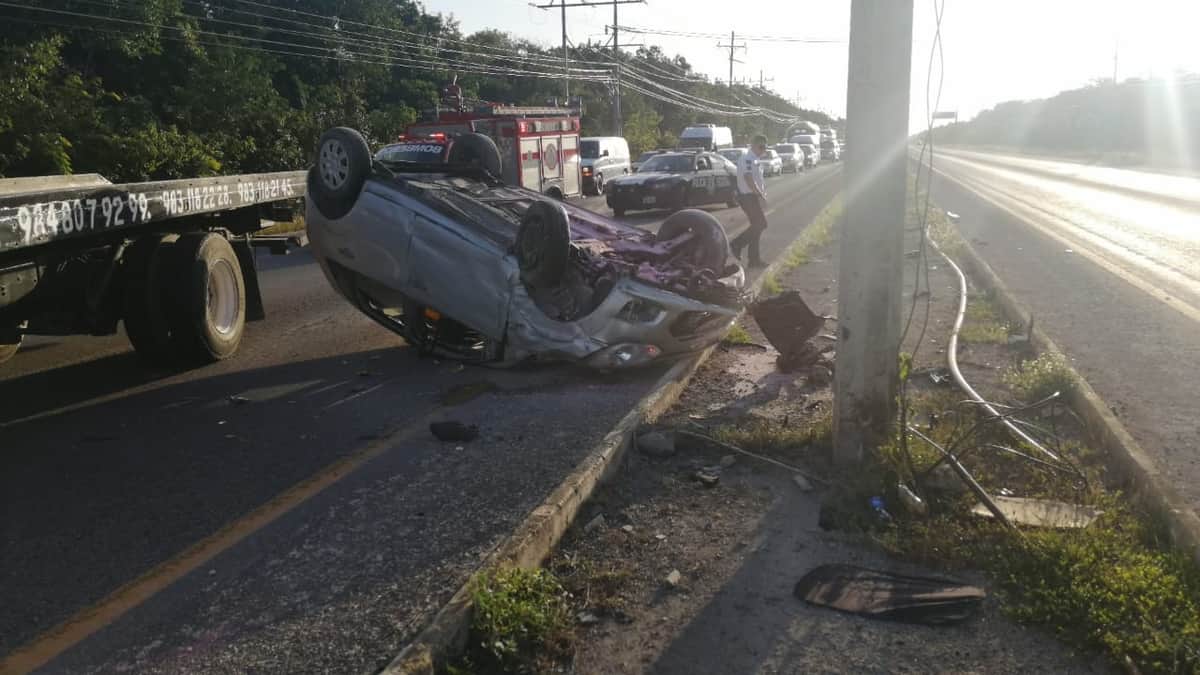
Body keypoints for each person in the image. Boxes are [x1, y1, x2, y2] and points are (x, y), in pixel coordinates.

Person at [731, 134, 769, 267]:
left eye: (765, 147)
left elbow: (758, 180)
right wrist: (759, 195)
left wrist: (761, 194)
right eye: (761, 146)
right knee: (761, 224)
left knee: (756, 227)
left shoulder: (756, 160)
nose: (763, 149)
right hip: (748, 197)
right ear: (753, 145)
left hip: (753, 196)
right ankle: (737, 244)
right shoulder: (746, 158)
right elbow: (748, 178)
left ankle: (754, 260)